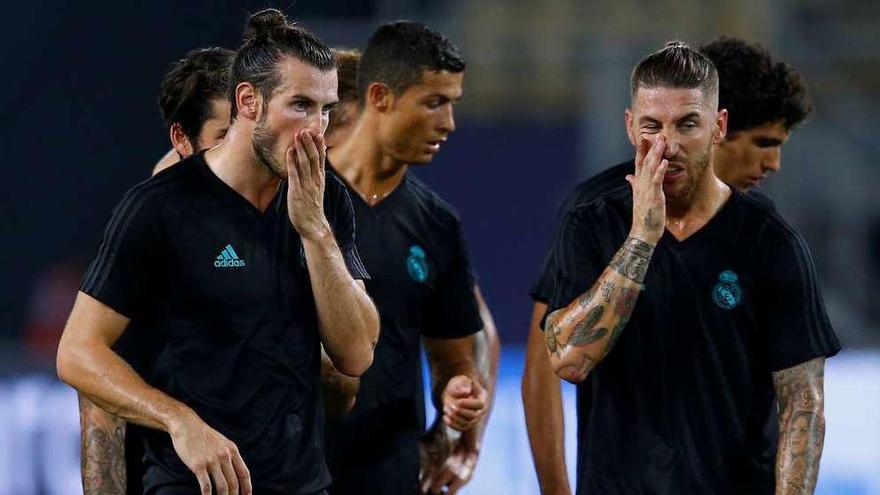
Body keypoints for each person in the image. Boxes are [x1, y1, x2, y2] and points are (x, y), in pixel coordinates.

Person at [57, 8, 380, 495]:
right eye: (300, 105)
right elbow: (78, 352)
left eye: (326, 109)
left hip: (302, 485)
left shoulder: (325, 197)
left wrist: (315, 232)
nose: (317, 129)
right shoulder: (161, 206)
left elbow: (355, 354)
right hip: (190, 484)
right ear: (248, 100)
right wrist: (178, 421)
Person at [540, 41, 839, 494]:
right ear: (628, 126)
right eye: (651, 125)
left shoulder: (770, 242)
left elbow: (803, 402)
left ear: (718, 126)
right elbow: (569, 360)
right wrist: (641, 240)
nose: (668, 144)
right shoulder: (591, 226)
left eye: (687, 125)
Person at [321, 21, 499, 495]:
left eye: (453, 103)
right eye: (433, 102)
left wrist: (458, 391)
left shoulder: (437, 225)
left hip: (390, 475)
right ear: (380, 96)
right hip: (288, 470)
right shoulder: (291, 196)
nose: (448, 123)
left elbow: (454, 358)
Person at [76, 46, 234, 495]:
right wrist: (178, 420)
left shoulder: (289, 211)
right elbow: (90, 368)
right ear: (183, 140)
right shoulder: (153, 221)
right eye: (224, 135)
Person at [152, 48, 235, 175]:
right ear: (182, 140)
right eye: (225, 136)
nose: (247, 147)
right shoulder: (169, 190)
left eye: (254, 129)